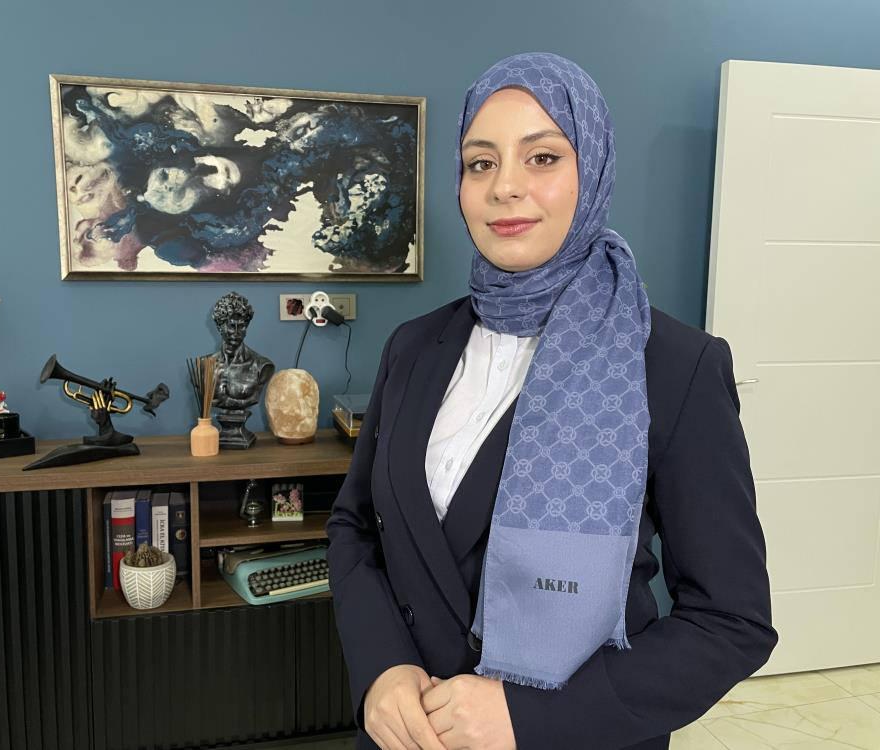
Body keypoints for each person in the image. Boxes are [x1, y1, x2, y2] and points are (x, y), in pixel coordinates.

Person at [325, 52, 777, 750]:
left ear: (591, 170)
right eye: (481, 163)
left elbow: (731, 621)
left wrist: (525, 716)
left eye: (542, 157)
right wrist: (381, 669)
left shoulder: (673, 366)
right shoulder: (413, 347)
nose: (505, 187)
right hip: (407, 735)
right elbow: (355, 527)